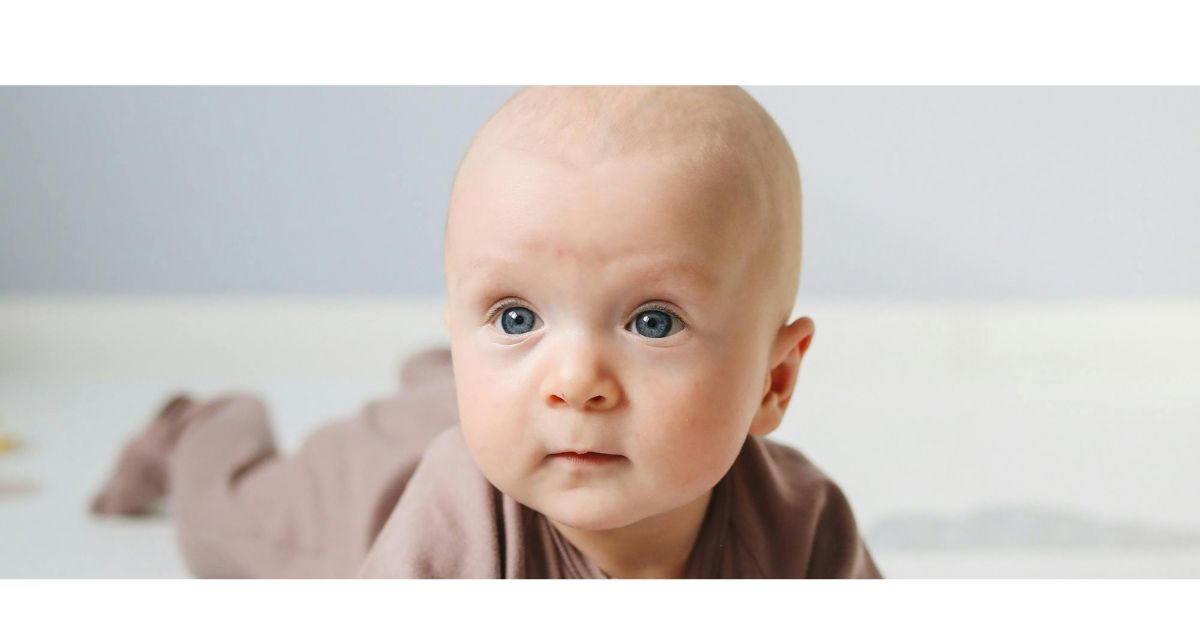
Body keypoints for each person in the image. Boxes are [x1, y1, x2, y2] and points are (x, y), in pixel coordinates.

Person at [92, 86, 882, 579]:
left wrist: (508, 350)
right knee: (221, 525)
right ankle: (198, 423)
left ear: (774, 382)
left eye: (652, 321)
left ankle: (446, 372)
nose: (575, 379)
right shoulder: (459, 517)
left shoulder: (802, 527)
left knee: (492, 395)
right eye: (515, 315)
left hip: (485, 406)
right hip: (364, 500)